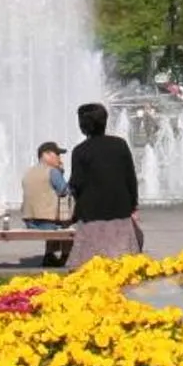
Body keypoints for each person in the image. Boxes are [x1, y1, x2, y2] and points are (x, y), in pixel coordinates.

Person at [66, 100, 141, 268]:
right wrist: (133, 204)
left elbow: (76, 183)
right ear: (105, 122)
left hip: (91, 213)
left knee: (90, 262)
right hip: (119, 210)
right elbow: (130, 177)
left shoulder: (80, 151)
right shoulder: (120, 145)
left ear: (82, 126)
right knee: (122, 262)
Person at [21, 141, 73, 267]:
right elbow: (65, 191)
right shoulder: (52, 172)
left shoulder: (28, 172)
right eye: (57, 154)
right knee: (67, 223)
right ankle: (65, 256)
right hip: (46, 222)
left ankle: (49, 255)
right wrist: (61, 171)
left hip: (29, 221)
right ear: (46, 154)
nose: (59, 158)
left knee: (56, 219)